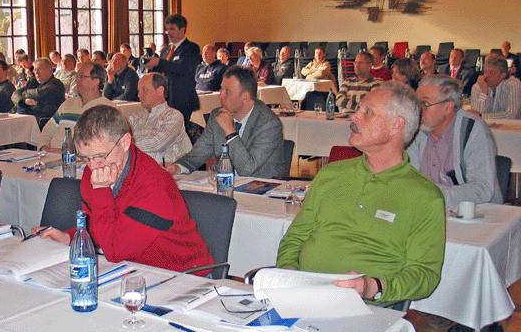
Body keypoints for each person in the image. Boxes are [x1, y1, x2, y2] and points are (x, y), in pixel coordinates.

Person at [277, 83, 445, 303]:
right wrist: (289, 275)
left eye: (368, 112)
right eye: (358, 109)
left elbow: (425, 274)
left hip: (367, 307)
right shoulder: (331, 174)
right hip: (302, 296)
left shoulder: (424, 196)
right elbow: (294, 238)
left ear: (397, 125)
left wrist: (371, 287)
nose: (354, 117)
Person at [38, 105, 214, 274]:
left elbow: (115, 251)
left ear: (125, 142)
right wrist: (69, 238)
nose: (93, 166)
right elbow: (99, 226)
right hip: (135, 270)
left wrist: (101, 190)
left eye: (100, 156)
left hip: (184, 276)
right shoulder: (95, 172)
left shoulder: (154, 185)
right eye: (85, 158)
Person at [167, 67, 285, 179]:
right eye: (221, 89)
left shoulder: (269, 124)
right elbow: (197, 154)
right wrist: (177, 167)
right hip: (224, 185)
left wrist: (230, 132)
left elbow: (247, 169)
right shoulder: (217, 115)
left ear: (245, 97)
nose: (221, 95)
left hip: (261, 188)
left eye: (227, 91)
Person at [408, 75, 503, 208]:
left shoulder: (472, 129)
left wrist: (434, 196)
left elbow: (482, 189)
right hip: (427, 209)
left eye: (425, 104)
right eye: (415, 104)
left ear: (448, 107)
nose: (417, 110)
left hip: (478, 212)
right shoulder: (416, 131)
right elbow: (410, 179)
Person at [38, 61, 112, 149]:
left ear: (96, 81)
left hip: (76, 157)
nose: (76, 80)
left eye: (81, 76)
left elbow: (99, 147)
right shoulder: (68, 103)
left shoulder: (106, 109)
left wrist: (66, 153)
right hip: (49, 154)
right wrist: (43, 147)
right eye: (77, 76)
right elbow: (47, 131)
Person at [144, 14, 201, 127]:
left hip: (182, 98)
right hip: (166, 99)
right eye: (167, 29)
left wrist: (159, 62)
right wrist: (151, 67)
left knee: (179, 130)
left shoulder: (191, 48)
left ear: (182, 30)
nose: (168, 32)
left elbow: (183, 68)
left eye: (172, 29)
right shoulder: (166, 50)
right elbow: (162, 70)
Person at [129, 73, 192, 164]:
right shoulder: (135, 118)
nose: (139, 95)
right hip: (140, 168)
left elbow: (157, 144)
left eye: (144, 90)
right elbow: (121, 136)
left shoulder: (173, 116)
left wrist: (126, 144)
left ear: (160, 91)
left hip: (168, 170)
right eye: (139, 91)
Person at [11, 58, 65, 129]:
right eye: (35, 70)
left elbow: (38, 94)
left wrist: (24, 93)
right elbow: (15, 94)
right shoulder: (34, 82)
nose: (36, 73)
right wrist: (23, 101)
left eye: (39, 69)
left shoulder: (56, 84)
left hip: (43, 123)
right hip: (26, 118)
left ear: (49, 70)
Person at [469, 54, 521, 119]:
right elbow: (476, 114)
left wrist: (481, 116)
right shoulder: (478, 87)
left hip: (511, 125)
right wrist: (484, 92)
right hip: (485, 125)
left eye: (492, 72)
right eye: (485, 70)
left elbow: (510, 115)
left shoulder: (514, 84)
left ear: (503, 75)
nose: (486, 75)